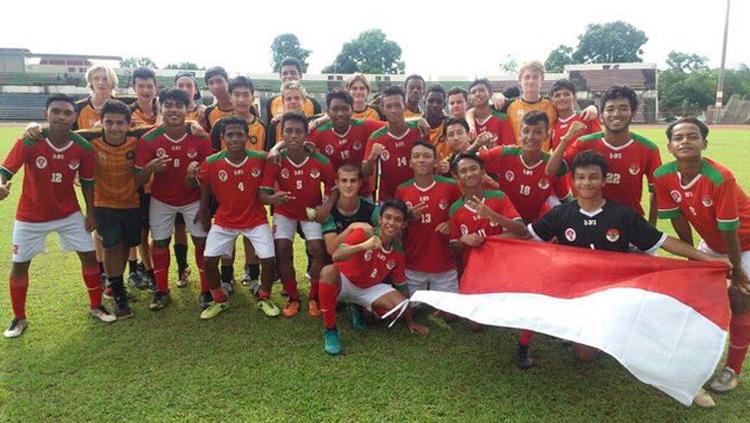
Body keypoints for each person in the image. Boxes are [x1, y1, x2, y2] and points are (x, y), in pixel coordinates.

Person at [527, 150, 728, 366]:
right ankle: (576, 328)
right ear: (573, 181)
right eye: (581, 177)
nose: (587, 183)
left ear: (604, 180)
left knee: (590, 353)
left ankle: (608, 328)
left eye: (593, 177)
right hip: (573, 292)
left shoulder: (622, 215)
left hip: (612, 293)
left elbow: (663, 241)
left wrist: (706, 259)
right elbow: (527, 238)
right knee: (584, 355)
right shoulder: (561, 214)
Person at [1, 94, 115, 338]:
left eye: (67, 113)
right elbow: (5, 170)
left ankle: (96, 305)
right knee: (19, 265)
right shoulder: (30, 141)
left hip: (68, 213)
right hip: (30, 216)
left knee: (88, 256)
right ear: (46, 114)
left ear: (74, 117)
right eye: (56, 111)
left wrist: (90, 213)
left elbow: (87, 183)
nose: (61, 116)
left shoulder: (82, 148)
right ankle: (19, 318)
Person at [653, 117, 750, 393]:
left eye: (692, 136)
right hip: (712, 244)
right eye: (679, 137)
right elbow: (678, 219)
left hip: (744, 244)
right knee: (699, 295)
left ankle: (732, 369)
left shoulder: (720, 177)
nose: (685, 141)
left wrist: (737, 270)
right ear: (670, 146)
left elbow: (729, 229)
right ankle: (695, 358)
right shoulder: (663, 176)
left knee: (739, 297)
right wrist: (693, 255)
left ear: (704, 143)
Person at [190, 116, 282, 319]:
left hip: (255, 219)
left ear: (247, 136)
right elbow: (202, 184)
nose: (234, 138)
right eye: (229, 135)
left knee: (269, 260)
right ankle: (219, 300)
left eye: (239, 134)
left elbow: (279, 153)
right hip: (225, 221)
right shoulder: (212, 162)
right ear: (222, 137)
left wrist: (277, 148)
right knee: (208, 261)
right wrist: (203, 209)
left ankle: (264, 298)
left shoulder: (259, 157)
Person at [318, 199, 430, 355]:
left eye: (398, 220)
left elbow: (402, 286)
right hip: (345, 282)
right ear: (380, 219)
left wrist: (410, 320)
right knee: (327, 272)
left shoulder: (397, 252)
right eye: (388, 217)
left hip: (369, 287)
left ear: (404, 224)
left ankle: (360, 308)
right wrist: (363, 246)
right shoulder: (364, 233)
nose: (391, 223)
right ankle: (330, 331)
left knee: (400, 307)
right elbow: (336, 255)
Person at [134, 89, 213, 310]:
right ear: (160, 107)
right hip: (161, 200)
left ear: (187, 108)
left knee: (201, 242)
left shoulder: (200, 137)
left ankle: (206, 291)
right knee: (159, 243)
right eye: (168, 105)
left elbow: (207, 178)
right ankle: (161, 290)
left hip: (192, 199)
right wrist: (150, 168)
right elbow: (138, 179)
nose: (173, 110)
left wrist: (204, 206)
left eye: (179, 105)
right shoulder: (149, 139)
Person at [546, 85, 662, 225]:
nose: (616, 114)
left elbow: (656, 192)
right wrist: (566, 139)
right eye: (610, 109)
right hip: (587, 222)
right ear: (601, 115)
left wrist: (651, 226)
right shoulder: (584, 143)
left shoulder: (648, 149)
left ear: (633, 112)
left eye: (623, 108)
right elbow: (551, 170)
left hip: (629, 223)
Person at [261, 111, 336, 317]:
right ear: (282, 134)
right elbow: (263, 192)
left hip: (310, 210)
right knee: (282, 248)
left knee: (318, 249)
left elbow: (333, 186)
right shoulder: (276, 159)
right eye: (289, 131)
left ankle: (314, 296)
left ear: (306, 135)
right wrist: (272, 199)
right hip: (285, 212)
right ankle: (293, 298)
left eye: (298, 131)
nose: (293, 136)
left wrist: (326, 206)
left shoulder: (319, 160)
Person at [476, 111, 572, 223]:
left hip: (534, 226)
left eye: (537, 132)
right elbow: (466, 161)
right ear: (519, 134)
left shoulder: (553, 165)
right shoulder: (504, 153)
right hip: (503, 221)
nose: (530, 137)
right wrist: (476, 144)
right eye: (526, 131)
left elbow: (567, 202)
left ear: (546, 136)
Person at [395, 142, 461, 298]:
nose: (421, 160)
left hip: (444, 264)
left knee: (450, 313)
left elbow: (462, 215)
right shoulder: (402, 189)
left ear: (436, 161)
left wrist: (451, 224)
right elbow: (395, 224)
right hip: (413, 264)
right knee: (413, 307)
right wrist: (407, 217)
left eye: (427, 156)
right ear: (410, 162)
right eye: (416, 156)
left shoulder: (450, 186)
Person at [362, 86, 423, 202]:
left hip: (417, 195)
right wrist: (371, 159)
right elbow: (365, 173)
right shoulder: (376, 137)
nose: (393, 110)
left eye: (397, 105)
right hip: (388, 199)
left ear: (404, 106)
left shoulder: (418, 131)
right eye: (389, 106)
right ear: (383, 109)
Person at [548, 79, 601, 150]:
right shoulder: (552, 124)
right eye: (557, 95)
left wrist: (593, 107)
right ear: (552, 100)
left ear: (574, 98)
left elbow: (601, 144)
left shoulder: (587, 117)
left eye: (566, 94)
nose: (562, 98)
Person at [467, 78, 515, 146]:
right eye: (473, 92)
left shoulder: (502, 118)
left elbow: (509, 149)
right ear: (470, 98)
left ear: (490, 94)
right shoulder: (467, 122)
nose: (477, 94)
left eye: (481, 90)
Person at [74, 65, 119, 130]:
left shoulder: (122, 107)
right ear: (90, 82)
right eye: (96, 78)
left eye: (105, 79)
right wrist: (94, 129)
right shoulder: (78, 107)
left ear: (112, 82)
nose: (100, 82)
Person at [203, 66, 235, 132]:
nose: (216, 86)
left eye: (219, 81)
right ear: (208, 87)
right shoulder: (209, 111)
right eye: (211, 83)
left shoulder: (245, 106)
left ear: (227, 82)